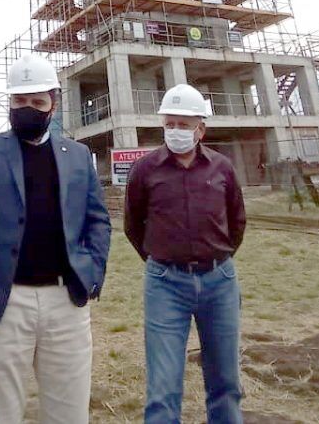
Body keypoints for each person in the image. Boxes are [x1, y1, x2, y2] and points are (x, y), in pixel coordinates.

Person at [0, 53, 111, 424]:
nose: (27, 109)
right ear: (10, 103)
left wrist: (92, 270)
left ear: (54, 103)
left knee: (69, 408)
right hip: (3, 299)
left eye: (37, 102)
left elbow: (97, 219)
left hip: (66, 301)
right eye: (19, 101)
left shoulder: (79, 156)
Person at [124, 83, 247, 424]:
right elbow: (133, 226)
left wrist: (216, 257)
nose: (176, 131)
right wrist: (162, 260)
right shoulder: (145, 169)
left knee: (226, 381)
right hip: (165, 283)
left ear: (200, 128)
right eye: (170, 123)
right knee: (163, 387)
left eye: (184, 124)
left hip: (219, 282)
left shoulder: (222, 167)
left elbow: (237, 221)